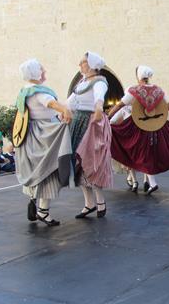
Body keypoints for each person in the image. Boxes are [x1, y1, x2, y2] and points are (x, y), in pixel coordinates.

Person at [109, 65, 169, 195]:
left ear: (138, 77)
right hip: (155, 129)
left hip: (138, 128)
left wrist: (108, 116)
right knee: (148, 154)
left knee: (141, 155)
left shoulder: (134, 91)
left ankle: (150, 182)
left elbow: (120, 104)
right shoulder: (158, 91)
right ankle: (151, 182)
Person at [16, 58, 73, 226]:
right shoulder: (38, 92)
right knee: (48, 169)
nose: (44, 71)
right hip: (43, 135)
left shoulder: (23, 92)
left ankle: (35, 201)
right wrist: (64, 110)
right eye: (42, 69)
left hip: (30, 135)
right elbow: (50, 103)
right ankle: (43, 211)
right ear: (35, 72)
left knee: (37, 170)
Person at [67, 51, 113, 219]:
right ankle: (89, 203)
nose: (80, 65)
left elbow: (99, 98)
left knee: (91, 162)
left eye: (83, 62)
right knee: (78, 163)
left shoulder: (99, 81)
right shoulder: (81, 82)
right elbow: (70, 102)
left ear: (92, 65)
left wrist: (99, 107)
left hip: (90, 123)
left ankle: (100, 201)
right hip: (77, 123)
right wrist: (59, 112)